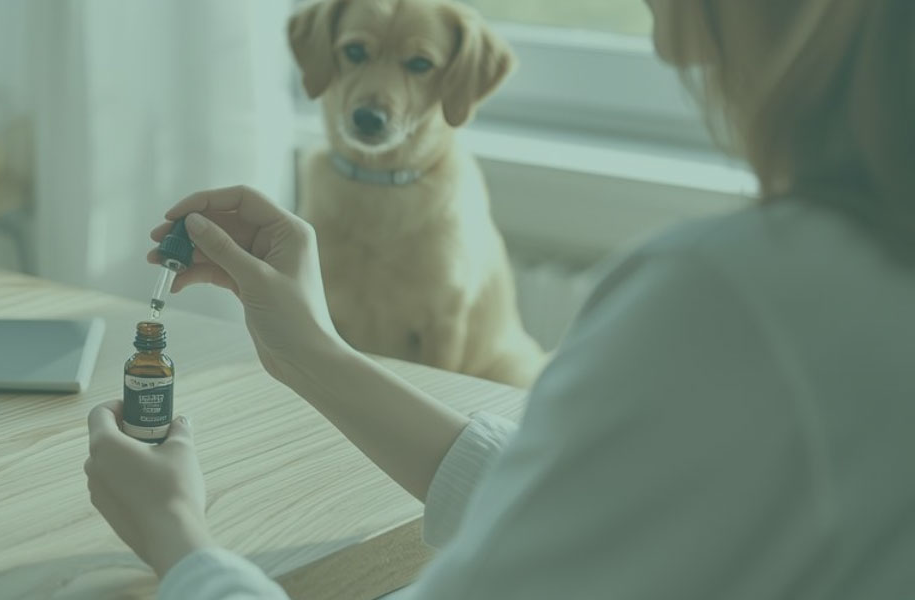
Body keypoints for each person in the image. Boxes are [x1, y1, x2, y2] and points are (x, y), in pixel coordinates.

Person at [84, 0, 915, 597]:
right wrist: (313, 353)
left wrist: (177, 540)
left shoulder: (725, 301)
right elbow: (594, 508)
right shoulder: (853, 272)